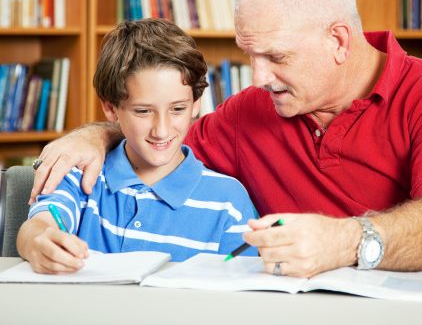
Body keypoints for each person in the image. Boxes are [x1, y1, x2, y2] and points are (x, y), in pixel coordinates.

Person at [30, 0, 422, 277]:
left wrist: (343, 242)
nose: (258, 78)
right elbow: (159, 138)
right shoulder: (252, 111)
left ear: (337, 40)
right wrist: (95, 134)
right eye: (249, 56)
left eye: (276, 57)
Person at [17, 19, 257, 274]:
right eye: (143, 111)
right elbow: (38, 226)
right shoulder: (79, 175)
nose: (162, 130)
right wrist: (37, 241)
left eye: (178, 109)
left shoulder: (229, 201)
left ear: (196, 103)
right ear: (110, 108)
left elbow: (242, 283)